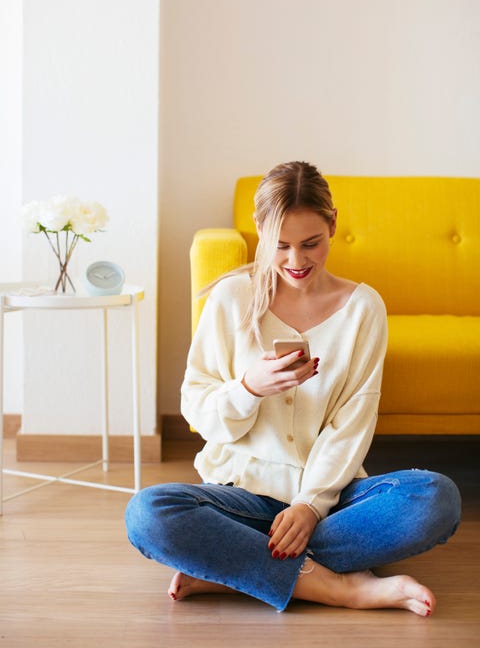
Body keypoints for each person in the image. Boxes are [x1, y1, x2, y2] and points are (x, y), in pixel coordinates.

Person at [125, 161, 461, 615]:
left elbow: (352, 425)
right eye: (280, 246)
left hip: (330, 498)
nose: (296, 261)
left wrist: (309, 505)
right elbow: (197, 410)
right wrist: (248, 388)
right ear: (259, 229)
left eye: (311, 244)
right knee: (148, 514)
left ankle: (234, 569)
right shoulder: (231, 298)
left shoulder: (363, 308)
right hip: (239, 493)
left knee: (434, 499)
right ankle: (335, 587)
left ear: (333, 226)